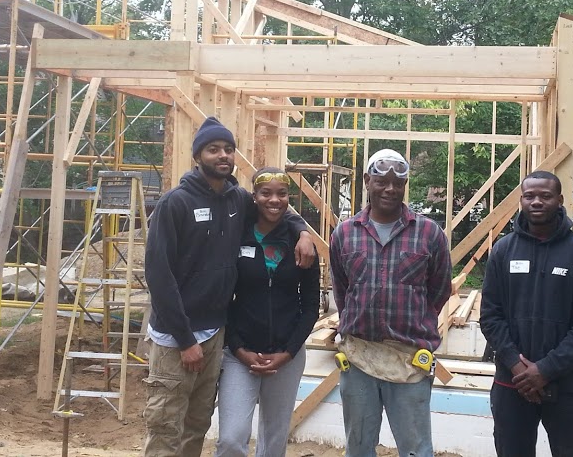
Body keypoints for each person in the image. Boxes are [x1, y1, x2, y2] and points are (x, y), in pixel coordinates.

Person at [142, 117, 315, 457]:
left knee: (196, 424)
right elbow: (159, 278)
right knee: (165, 426)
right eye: (213, 149)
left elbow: (276, 205)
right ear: (197, 156)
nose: (222, 155)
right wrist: (185, 339)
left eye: (228, 149)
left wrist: (304, 230)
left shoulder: (237, 201)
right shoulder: (175, 203)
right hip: (178, 338)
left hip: (215, 335)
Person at [329, 149, 451, 457]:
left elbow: (439, 291)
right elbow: (343, 292)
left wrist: (414, 322)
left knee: (416, 450)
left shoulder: (429, 233)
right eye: (381, 181)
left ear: (405, 184)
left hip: (409, 359)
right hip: (359, 358)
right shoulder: (345, 234)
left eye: (398, 183)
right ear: (368, 181)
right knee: (358, 447)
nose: (390, 189)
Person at [479, 170, 573, 457]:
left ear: (559, 200)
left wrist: (545, 370)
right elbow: (490, 315)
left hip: (568, 385)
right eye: (529, 196)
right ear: (521, 200)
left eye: (545, 196)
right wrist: (517, 365)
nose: (537, 201)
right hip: (512, 383)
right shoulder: (503, 251)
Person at [215, 167, 321, 457]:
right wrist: (237, 348)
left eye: (282, 193)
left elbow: (311, 304)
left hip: (286, 357)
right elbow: (222, 296)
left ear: (289, 197)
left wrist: (288, 352)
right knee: (231, 439)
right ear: (254, 196)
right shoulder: (238, 235)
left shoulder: (302, 243)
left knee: (274, 442)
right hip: (240, 356)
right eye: (266, 193)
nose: (274, 200)